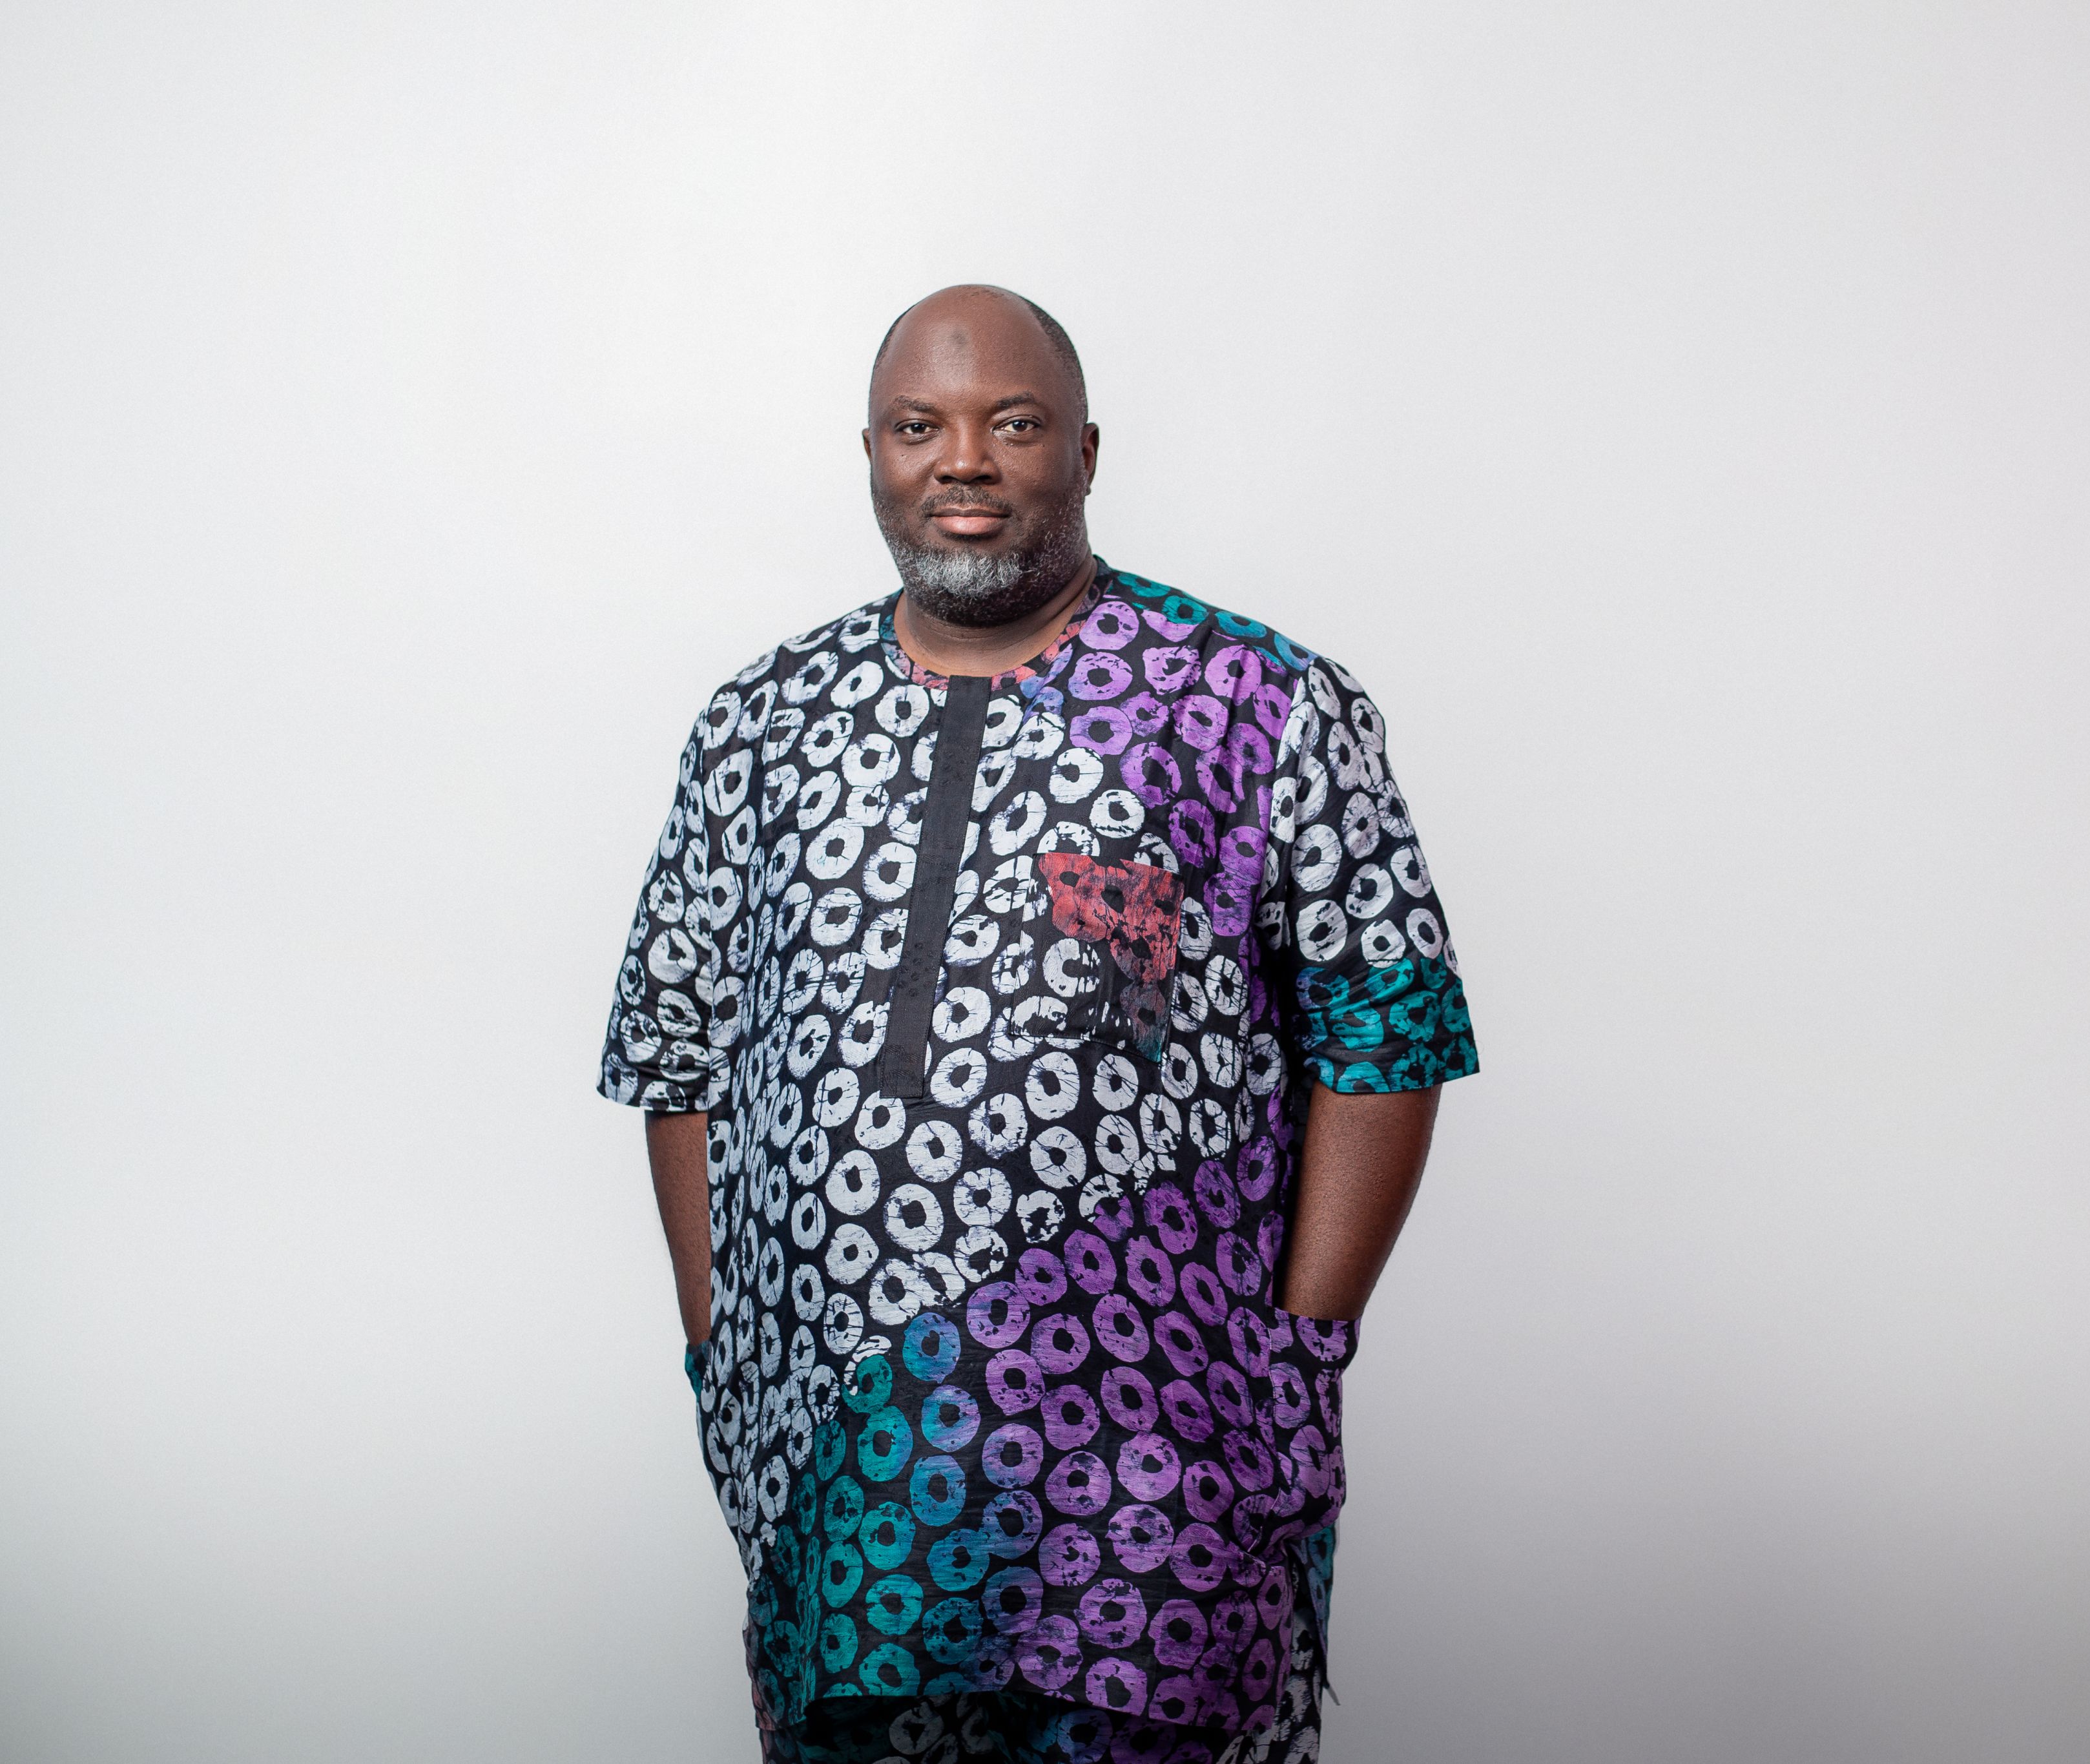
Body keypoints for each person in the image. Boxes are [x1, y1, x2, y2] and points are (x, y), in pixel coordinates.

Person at [599, 285, 1477, 1764]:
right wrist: (721, 1348)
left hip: (1156, 1487)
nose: (962, 461)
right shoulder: (757, 723)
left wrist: (1300, 1348)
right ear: (869, 453)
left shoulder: (1255, 700)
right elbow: (675, 1054)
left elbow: (1383, 1036)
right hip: (844, 1492)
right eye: (915, 426)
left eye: (1010, 423)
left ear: (1082, 447)